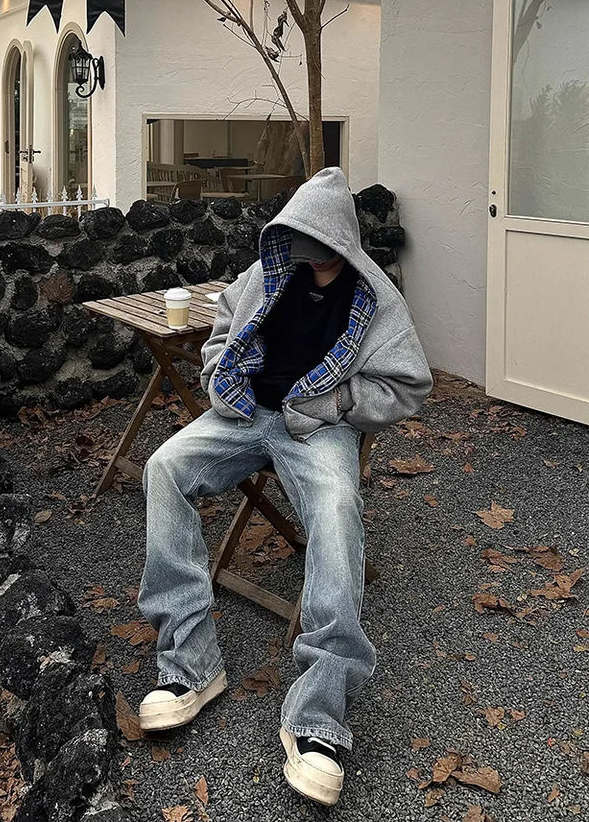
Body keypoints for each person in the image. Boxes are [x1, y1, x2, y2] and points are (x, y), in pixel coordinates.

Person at [136, 166, 433, 806]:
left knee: (337, 506)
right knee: (164, 467)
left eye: (317, 236)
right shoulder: (268, 272)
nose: (305, 246)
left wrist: (337, 404)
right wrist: (222, 374)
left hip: (316, 426)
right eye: (296, 232)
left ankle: (319, 715)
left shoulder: (378, 300)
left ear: (341, 237)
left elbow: (408, 385)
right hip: (244, 415)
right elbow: (222, 326)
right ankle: (189, 664)